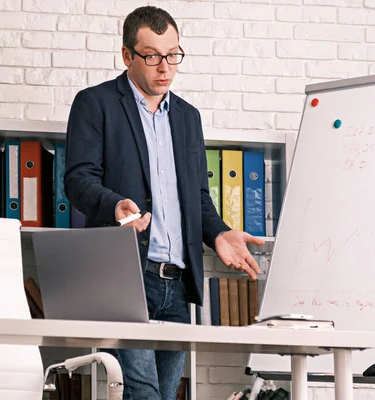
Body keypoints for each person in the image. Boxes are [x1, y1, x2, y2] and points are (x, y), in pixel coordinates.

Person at [64, 5, 265, 400]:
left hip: (178, 285)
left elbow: (197, 199)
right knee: (143, 394)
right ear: (127, 55)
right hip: (126, 280)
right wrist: (113, 203)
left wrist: (220, 233)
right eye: (152, 56)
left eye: (173, 55)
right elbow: (77, 180)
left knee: (164, 392)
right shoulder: (96, 104)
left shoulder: (188, 117)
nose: (165, 68)